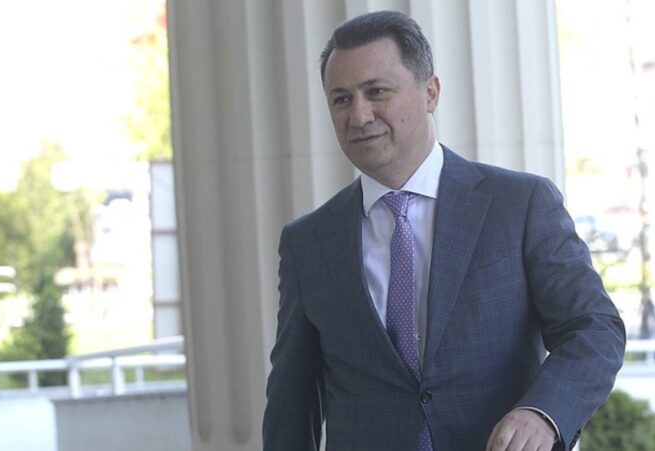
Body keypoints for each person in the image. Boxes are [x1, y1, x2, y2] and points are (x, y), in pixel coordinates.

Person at [263, 11, 625, 451]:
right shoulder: (308, 243)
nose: (359, 115)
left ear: (430, 93)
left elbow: (594, 329)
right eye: (341, 99)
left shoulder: (519, 205)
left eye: (377, 92)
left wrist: (544, 413)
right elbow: (292, 400)